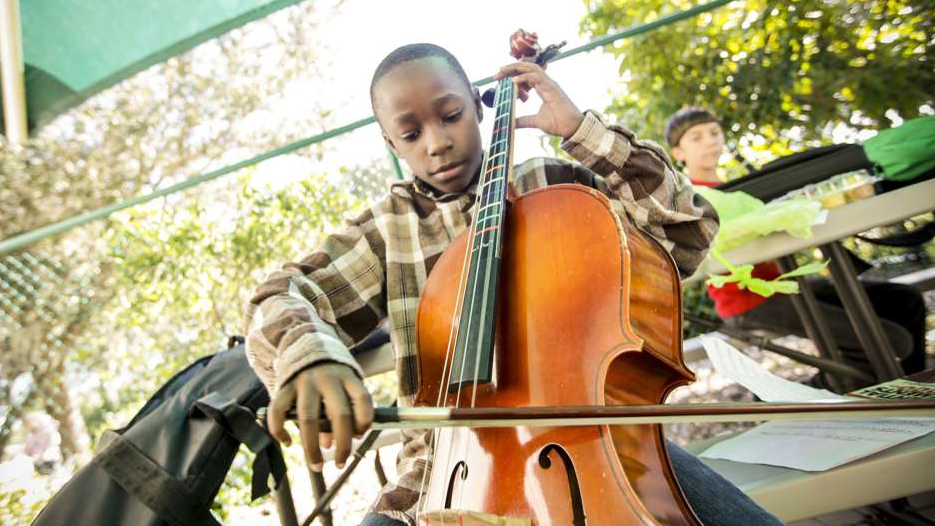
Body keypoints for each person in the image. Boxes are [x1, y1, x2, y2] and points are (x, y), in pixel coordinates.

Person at [245, 44, 782, 525]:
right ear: (390, 141)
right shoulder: (386, 231)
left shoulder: (560, 190)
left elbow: (686, 231)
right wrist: (309, 355)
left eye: (451, 115)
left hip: (591, 438)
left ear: (480, 107)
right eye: (410, 134)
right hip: (437, 473)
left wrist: (581, 132)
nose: (436, 142)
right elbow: (282, 293)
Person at [665, 107, 927, 380]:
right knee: (893, 343)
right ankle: (800, 400)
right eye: (696, 137)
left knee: (906, 301)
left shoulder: (745, 188)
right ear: (678, 153)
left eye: (714, 133)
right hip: (747, 301)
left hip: (782, 285)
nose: (709, 140)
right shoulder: (691, 198)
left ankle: (914, 389)